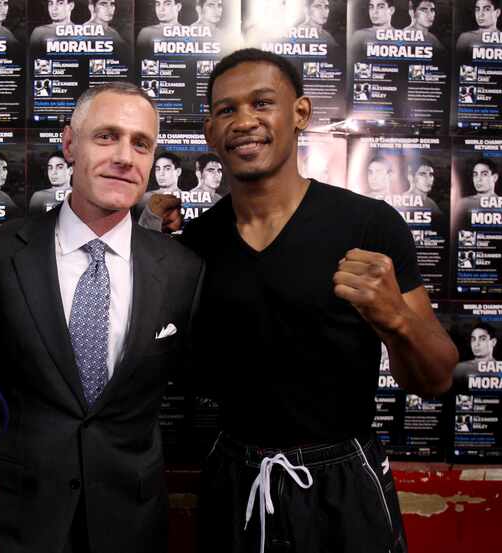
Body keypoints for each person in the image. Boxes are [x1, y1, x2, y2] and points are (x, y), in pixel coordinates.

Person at [146, 48, 456, 553]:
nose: (244, 121)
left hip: (344, 476)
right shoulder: (196, 245)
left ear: (301, 114)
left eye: (262, 103)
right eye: (227, 110)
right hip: (235, 474)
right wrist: (147, 241)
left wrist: (395, 317)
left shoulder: (368, 225)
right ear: (209, 133)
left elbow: (437, 377)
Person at [0, 82, 204, 553]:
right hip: (18, 520)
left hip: (131, 524)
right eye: (106, 137)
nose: (125, 156)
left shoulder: (183, 271)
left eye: (141, 144)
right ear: (69, 144)